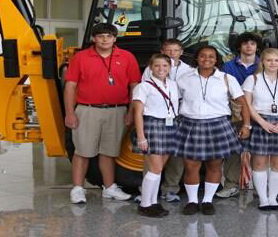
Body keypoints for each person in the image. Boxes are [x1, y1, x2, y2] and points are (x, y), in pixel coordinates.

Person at [64, 23, 140, 204]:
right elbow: (70, 86)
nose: (105, 39)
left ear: (115, 38)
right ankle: (77, 189)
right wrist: (69, 113)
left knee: (109, 152)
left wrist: (131, 111)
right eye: (100, 36)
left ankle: (109, 188)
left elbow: (134, 86)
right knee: (82, 151)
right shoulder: (81, 57)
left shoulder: (127, 57)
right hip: (87, 110)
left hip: (117, 110)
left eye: (108, 36)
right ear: (94, 38)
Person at [174, 45, 251, 216]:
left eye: (211, 57)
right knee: (191, 165)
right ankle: (193, 201)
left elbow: (243, 103)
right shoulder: (184, 78)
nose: (206, 59)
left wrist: (246, 125)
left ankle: (208, 200)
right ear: (196, 58)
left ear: (216, 60)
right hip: (190, 124)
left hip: (218, 124)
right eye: (202, 56)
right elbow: (174, 100)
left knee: (214, 165)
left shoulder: (227, 78)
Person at [242, 48, 278, 210]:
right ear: (262, 62)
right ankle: (263, 199)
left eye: (276, 60)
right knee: (259, 163)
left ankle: (273, 199)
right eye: (269, 60)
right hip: (260, 121)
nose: (273, 63)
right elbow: (247, 104)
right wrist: (261, 122)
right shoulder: (253, 79)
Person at [140, 38, 191, 203]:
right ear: (162, 51)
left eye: (175, 50)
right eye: (168, 50)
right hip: (154, 119)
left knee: (175, 157)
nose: (172, 53)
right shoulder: (151, 70)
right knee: (152, 160)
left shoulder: (188, 70)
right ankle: (146, 194)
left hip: (177, 117)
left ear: (181, 52)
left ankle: (170, 189)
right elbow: (143, 97)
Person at [132, 54, 181, 217]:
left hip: (170, 125)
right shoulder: (143, 86)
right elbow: (137, 113)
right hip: (152, 125)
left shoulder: (173, 85)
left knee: (159, 169)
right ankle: (145, 205)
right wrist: (141, 136)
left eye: (165, 66)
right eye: (157, 66)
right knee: (155, 168)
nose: (161, 69)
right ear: (150, 68)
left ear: (170, 68)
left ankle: (153, 202)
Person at [218, 32, 262, 198]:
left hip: (260, 112)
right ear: (239, 46)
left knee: (260, 152)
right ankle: (231, 185)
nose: (249, 46)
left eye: (252, 43)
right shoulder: (228, 66)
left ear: (257, 46)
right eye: (245, 43)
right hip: (236, 112)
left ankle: (260, 186)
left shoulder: (263, 63)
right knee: (234, 151)